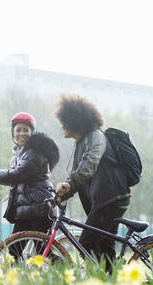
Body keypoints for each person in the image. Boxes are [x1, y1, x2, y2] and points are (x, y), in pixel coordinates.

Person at [54, 94, 130, 272]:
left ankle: (100, 278)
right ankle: (111, 284)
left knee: (86, 242)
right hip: (106, 200)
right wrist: (66, 191)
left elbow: (89, 164)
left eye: (64, 120)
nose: (62, 125)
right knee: (105, 247)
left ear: (75, 121)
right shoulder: (81, 142)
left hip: (111, 199)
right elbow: (79, 176)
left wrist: (70, 184)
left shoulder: (95, 136)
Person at [0, 112, 60, 240]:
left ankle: (62, 261)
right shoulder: (20, 154)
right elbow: (15, 178)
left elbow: (17, 175)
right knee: (14, 250)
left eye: (26, 130)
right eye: (18, 130)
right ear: (13, 133)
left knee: (42, 251)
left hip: (39, 207)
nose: (22, 133)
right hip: (27, 209)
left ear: (32, 133)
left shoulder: (34, 153)